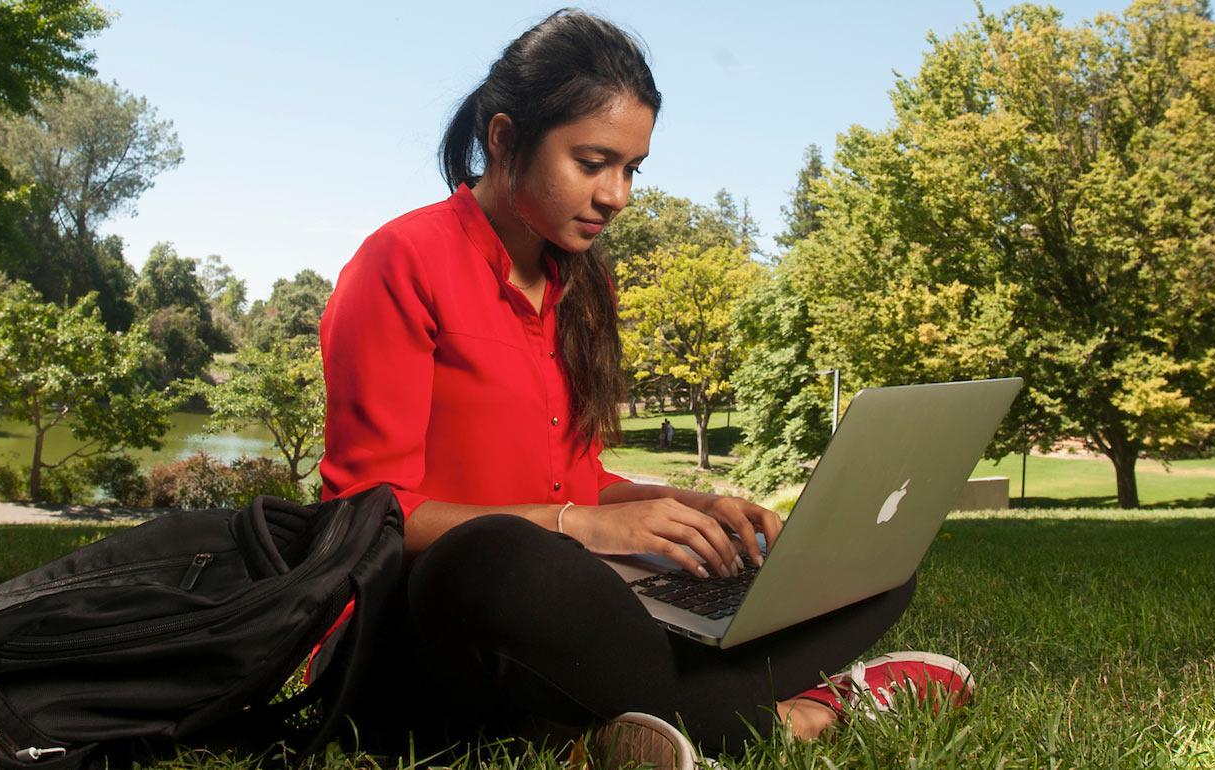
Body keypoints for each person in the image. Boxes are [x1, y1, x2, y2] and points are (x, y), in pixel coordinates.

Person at [317, 9, 974, 768]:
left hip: (580, 608)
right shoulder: (402, 260)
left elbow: (580, 479)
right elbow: (364, 515)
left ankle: (621, 724)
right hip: (450, 611)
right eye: (593, 161)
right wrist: (577, 529)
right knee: (507, 555)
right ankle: (803, 714)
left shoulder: (585, 289)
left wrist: (695, 513)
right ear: (503, 138)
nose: (618, 194)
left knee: (866, 567)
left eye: (632, 169)